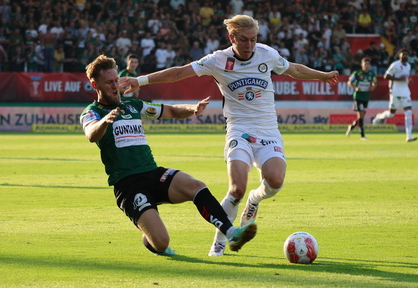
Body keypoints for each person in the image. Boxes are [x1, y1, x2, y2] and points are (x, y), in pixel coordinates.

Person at [118, 14, 339, 257]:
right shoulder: (218, 60)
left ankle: (255, 200)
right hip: (239, 130)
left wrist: (323, 74)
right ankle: (220, 244)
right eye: (244, 40)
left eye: (254, 39)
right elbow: (179, 73)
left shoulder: (268, 54)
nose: (250, 45)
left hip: (268, 130)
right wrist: (140, 80)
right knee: (236, 189)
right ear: (231, 37)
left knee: (275, 181)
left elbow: (294, 69)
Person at [80, 55, 257, 256]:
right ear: (95, 85)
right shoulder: (92, 112)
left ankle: (232, 232)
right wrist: (105, 121)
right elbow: (91, 133)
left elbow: (170, 111)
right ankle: (150, 236)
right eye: (109, 82)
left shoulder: (134, 106)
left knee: (196, 186)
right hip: (128, 186)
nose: (115, 86)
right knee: (162, 243)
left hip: (153, 174)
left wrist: (192, 109)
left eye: (116, 81)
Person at [372, 49, 417, 142]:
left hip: (405, 92)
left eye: (406, 54)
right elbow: (386, 76)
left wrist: (408, 81)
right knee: (391, 114)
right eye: (403, 54)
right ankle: (379, 117)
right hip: (395, 93)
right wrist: (398, 79)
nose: (405, 56)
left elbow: (405, 79)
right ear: (399, 55)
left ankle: (409, 136)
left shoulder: (408, 66)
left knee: (408, 113)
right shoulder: (395, 65)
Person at [346, 57, 377, 140]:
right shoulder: (357, 73)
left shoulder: (371, 74)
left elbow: (375, 82)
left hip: (366, 96)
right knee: (361, 114)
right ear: (361, 65)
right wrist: (355, 87)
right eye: (365, 64)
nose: (366, 66)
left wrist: (373, 87)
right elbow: (349, 82)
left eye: (368, 64)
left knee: (361, 116)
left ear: (370, 65)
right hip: (358, 96)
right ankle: (362, 135)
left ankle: (352, 127)